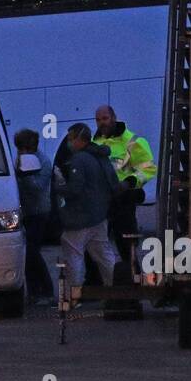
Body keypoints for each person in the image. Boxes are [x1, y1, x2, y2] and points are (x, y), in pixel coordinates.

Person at [59, 123, 121, 293]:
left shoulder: (79, 159)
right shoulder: (99, 156)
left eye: (71, 138)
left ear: (79, 139)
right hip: (99, 215)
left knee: (74, 254)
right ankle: (116, 290)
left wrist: (57, 187)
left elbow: (75, 188)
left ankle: (73, 294)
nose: (68, 142)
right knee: (104, 254)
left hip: (80, 216)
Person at [13, 128, 55, 305]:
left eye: (23, 148)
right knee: (27, 254)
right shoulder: (22, 158)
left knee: (32, 252)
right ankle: (33, 291)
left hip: (38, 212)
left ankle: (46, 291)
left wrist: (24, 177)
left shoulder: (43, 162)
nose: (20, 152)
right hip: (26, 211)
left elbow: (38, 188)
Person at [93, 105, 158, 189]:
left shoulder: (133, 142)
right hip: (98, 198)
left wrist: (129, 183)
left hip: (122, 197)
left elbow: (148, 169)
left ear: (114, 118)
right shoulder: (93, 143)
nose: (101, 123)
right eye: (98, 120)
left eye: (105, 118)